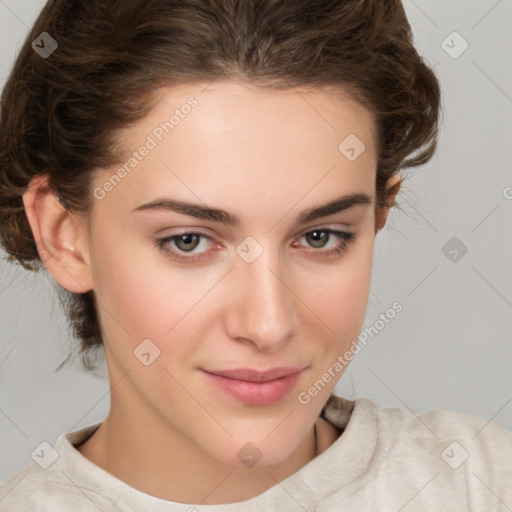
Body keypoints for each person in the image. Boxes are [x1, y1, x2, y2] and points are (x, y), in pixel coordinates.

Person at [0, 0, 510, 510]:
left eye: (321, 236)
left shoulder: (478, 484)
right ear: (63, 234)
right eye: (189, 241)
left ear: (379, 213)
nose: (268, 325)